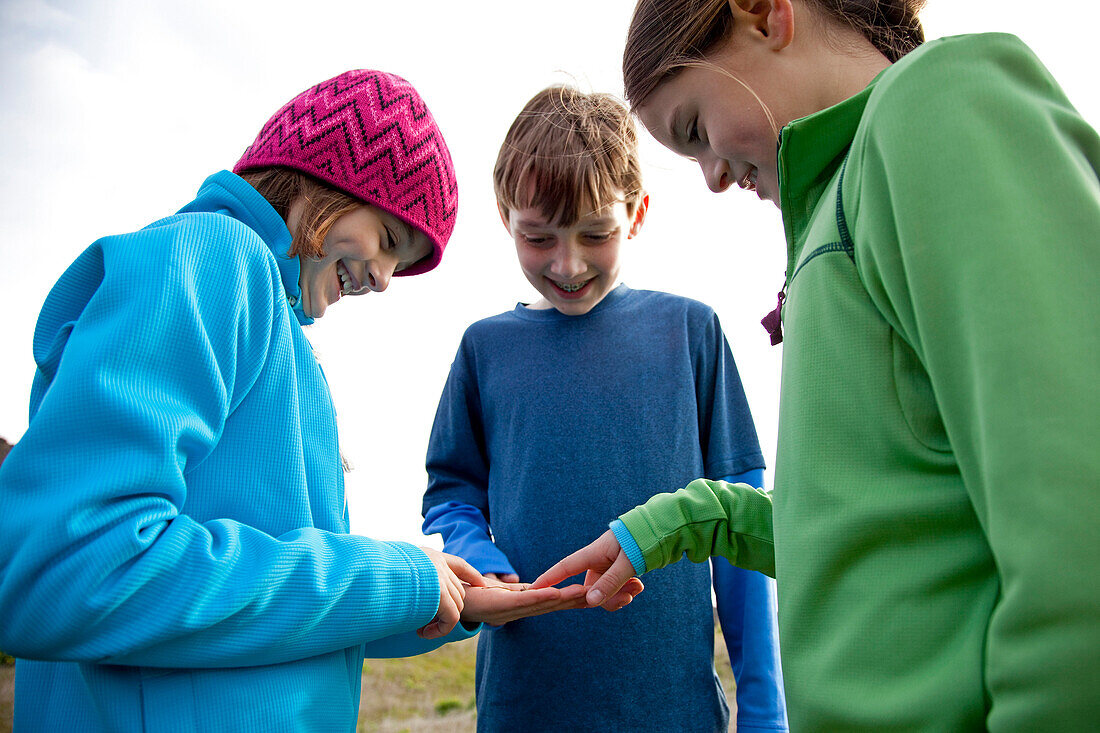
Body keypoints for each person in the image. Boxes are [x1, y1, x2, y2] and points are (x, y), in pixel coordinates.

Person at [534, 1, 1100, 730]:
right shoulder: (835, 213)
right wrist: (679, 520)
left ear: (765, 15)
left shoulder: (940, 106)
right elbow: (873, 527)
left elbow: (1078, 535)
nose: (709, 176)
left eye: (695, 130)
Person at [0, 69, 585, 732]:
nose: (387, 280)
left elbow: (269, 611)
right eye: (389, 240)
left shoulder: (286, 346)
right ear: (322, 177)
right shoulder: (211, 258)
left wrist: (439, 597)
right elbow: (67, 567)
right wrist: (392, 575)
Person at [421, 85, 787, 732]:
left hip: (671, 707)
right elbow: (452, 496)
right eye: (538, 237)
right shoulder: (484, 349)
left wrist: (764, 706)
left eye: (596, 233)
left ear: (638, 213)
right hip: (524, 702)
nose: (568, 263)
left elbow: (740, 524)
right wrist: (487, 564)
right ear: (506, 217)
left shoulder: (691, 333)